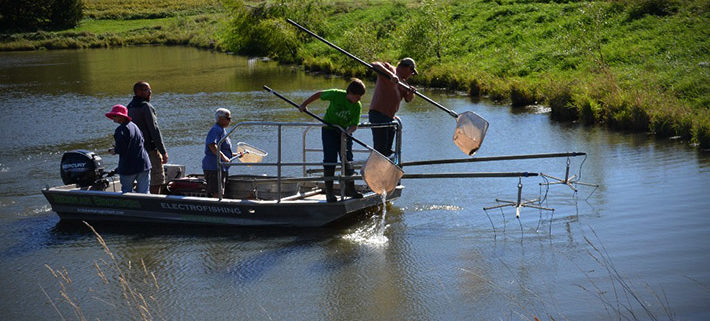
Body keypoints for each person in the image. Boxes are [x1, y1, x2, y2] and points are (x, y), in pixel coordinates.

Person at [299, 78, 366, 202]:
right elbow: (319, 94)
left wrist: (347, 132)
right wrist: (304, 104)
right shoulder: (336, 94)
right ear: (349, 93)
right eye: (357, 96)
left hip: (344, 133)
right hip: (329, 130)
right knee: (330, 160)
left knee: (347, 160)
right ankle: (329, 193)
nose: (358, 99)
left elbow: (354, 125)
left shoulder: (357, 106)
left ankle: (351, 190)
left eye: (360, 97)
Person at [368, 57, 418, 158]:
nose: (411, 75)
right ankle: (375, 170)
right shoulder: (391, 69)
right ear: (406, 67)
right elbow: (375, 64)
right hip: (378, 113)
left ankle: (385, 169)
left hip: (390, 117)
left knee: (387, 150)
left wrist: (411, 93)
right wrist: (391, 75)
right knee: (380, 148)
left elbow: (408, 99)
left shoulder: (404, 83)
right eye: (411, 72)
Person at [127, 81, 168, 194]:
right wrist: (163, 151)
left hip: (134, 151)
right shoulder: (146, 107)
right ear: (139, 92)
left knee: (141, 179)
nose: (150, 92)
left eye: (149, 89)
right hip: (149, 150)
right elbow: (154, 130)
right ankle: (153, 203)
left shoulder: (130, 106)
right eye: (146, 90)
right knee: (157, 179)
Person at [105, 104, 151, 194]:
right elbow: (140, 142)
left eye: (114, 115)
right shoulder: (134, 126)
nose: (112, 118)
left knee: (127, 192)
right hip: (143, 164)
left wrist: (114, 151)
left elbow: (122, 148)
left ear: (121, 117)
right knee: (144, 193)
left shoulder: (120, 129)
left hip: (128, 168)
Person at [202, 108, 239, 198]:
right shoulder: (215, 130)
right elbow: (212, 145)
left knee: (220, 190)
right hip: (214, 167)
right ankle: (216, 208)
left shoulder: (222, 130)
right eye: (228, 118)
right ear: (220, 118)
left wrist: (235, 155)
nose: (230, 121)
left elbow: (224, 149)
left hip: (222, 167)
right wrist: (224, 158)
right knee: (216, 192)